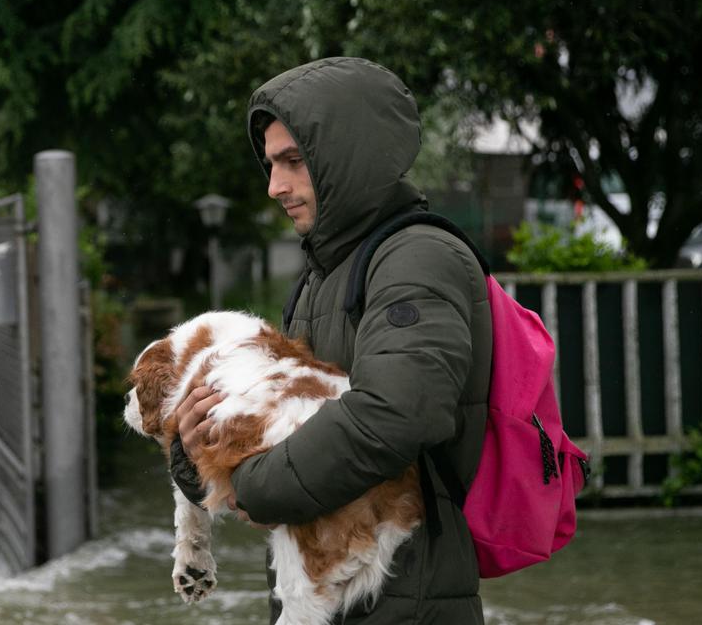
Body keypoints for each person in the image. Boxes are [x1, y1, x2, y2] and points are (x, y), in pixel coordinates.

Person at [170, 57, 493, 624]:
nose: (275, 186)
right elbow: (285, 419)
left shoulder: (416, 257)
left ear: (349, 157)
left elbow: (398, 412)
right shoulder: (323, 276)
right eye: (270, 164)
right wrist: (195, 454)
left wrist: (251, 485)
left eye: (293, 162)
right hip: (332, 596)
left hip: (405, 600)